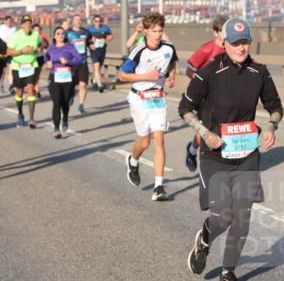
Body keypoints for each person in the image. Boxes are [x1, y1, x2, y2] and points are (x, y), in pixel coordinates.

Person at [178, 18, 283, 281]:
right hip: (215, 155)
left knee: (243, 217)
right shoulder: (209, 73)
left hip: (247, 154)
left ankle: (228, 274)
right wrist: (205, 133)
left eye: (245, 42)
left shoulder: (259, 72)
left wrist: (271, 127)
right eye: (235, 43)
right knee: (223, 217)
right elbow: (185, 108)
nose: (241, 47)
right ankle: (204, 239)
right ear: (224, 43)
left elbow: (275, 107)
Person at [119, 13, 178, 202]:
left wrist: (171, 76)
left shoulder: (168, 48)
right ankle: (133, 160)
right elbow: (122, 76)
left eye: (160, 30)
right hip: (139, 98)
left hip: (157, 97)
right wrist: (147, 77)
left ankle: (158, 186)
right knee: (144, 142)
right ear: (146, 31)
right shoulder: (138, 50)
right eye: (154, 31)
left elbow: (172, 62)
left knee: (159, 140)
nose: (158, 34)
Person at [182, 16, 227, 171]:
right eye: (222, 31)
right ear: (215, 32)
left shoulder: (233, 49)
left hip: (225, 96)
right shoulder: (207, 49)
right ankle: (192, 151)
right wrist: (202, 83)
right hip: (206, 97)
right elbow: (189, 70)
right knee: (206, 128)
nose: (225, 34)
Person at [44, 26, 85, 138]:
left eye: (62, 33)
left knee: (65, 102)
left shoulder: (70, 47)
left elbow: (79, 60)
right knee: (56, 102)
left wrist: (68, 62)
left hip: (67, 77)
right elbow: (46, 57)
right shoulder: (51, 48)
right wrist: (48, 62)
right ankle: (56, 128)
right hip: (54, 77)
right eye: (58, 33)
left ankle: (65, 118)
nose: (60, 35)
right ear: (54, 36)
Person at [6, 16, 42, 128]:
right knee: (20, 92)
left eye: (29, 23)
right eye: (25, 23)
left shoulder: (36, 35)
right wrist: (22, 51)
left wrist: (37, 50)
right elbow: (8, 51)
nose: (27, 25)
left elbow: (41, 45)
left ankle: (31, 118)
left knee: (31, 89)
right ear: (21, 25)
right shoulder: (16, 35)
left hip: (31, 66)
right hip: (18, 67)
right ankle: (20, 114)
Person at [66, 14, 91, 113]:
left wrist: (92, 45)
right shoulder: (68, 33)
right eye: (76, 19)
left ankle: (81, 105)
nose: (78, 21)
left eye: (80, 19)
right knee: (71, 84)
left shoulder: (86, 32)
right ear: (72, 21)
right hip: (71, 63)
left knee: (83, 85)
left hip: (83, 61)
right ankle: (71, 95)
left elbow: (89, 42)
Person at [87, 14, 113, 92]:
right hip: (94, 50)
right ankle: (99, 85)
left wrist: (105, 39)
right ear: (93, 22)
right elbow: (86, 40)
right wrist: (91, 42)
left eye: (99, 21)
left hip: (102, 49)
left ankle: (95, 80)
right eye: (96, 21)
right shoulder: (90, 29)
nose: (98, 22)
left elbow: (110, 36)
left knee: (99, 67)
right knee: (97, 65)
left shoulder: (105, 28)